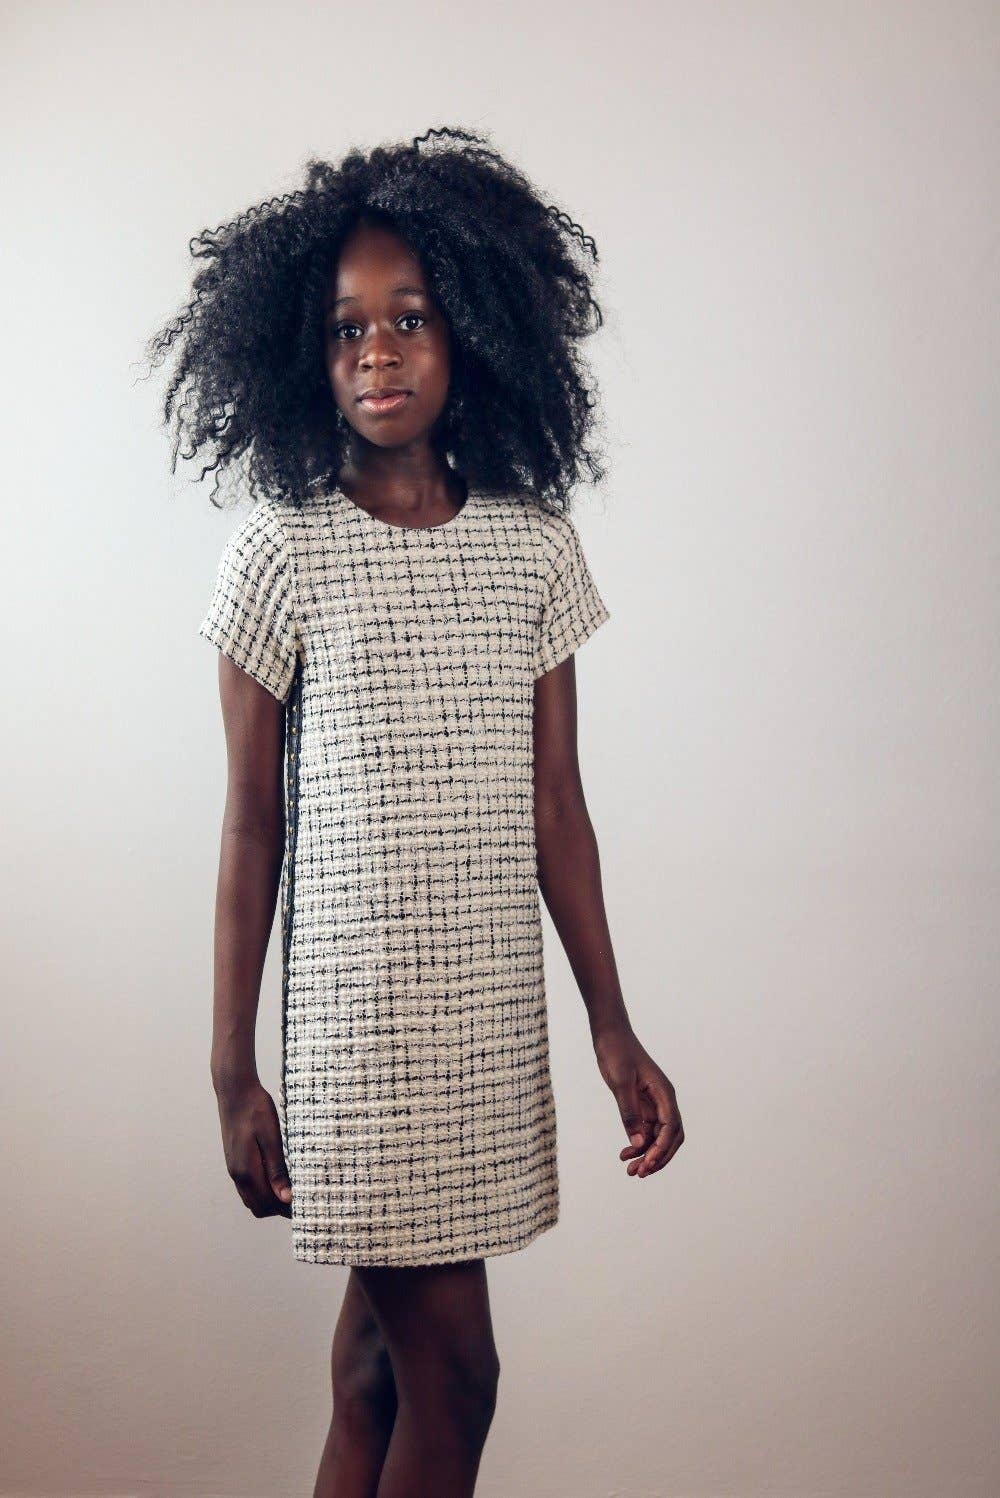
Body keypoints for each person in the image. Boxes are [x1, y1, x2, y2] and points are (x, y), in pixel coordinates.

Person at [146, 125, 684, 1498]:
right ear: (302, 355)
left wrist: (610, 1023)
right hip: (358, 1039)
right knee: (460, 1377)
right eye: (346, 328)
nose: (377, 352)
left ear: (475, 333)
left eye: (410, 318)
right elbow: (250, 828)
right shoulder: (282, 552)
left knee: (378, 1378)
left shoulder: (532, 547)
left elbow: (557, 806)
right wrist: (230, 1066)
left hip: (485, 1025)